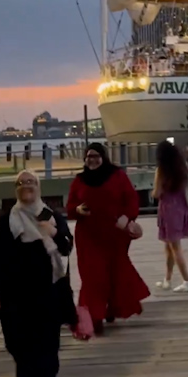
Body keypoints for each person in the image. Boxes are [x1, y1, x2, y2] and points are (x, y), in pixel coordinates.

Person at [0, 171, 78, 377]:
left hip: (47, 288)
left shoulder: (52, 216)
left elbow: (66, 248)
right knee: (16, 341)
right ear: (16, 189)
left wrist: (53, 231)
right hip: (14, 292)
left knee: (47, 339)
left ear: (38, 187)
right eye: (22, 183)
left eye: (31, 182)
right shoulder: (7, 222)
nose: (27, 186)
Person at [66, 143, 150, 335]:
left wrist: (128, 218)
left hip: (113, 234)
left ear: (103, 157)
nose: (92, 160)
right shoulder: (80, 180)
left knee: (114, 272)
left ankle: (111, 308)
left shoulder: (117, 175)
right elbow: (70, 206)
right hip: (88, 236)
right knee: (93, 276)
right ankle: (95, 317)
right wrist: (77, 210)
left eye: (95, 156)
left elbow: (131, 199)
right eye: (88, 157)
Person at [152, 140, 188, 293]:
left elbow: (157, 193)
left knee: (175, 247)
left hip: (168, 210)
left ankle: (187, 281)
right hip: (181, 208)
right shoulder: (183, 168)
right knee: (169, 246)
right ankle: (167, 279)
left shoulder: (162, 171)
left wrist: (154, 191)